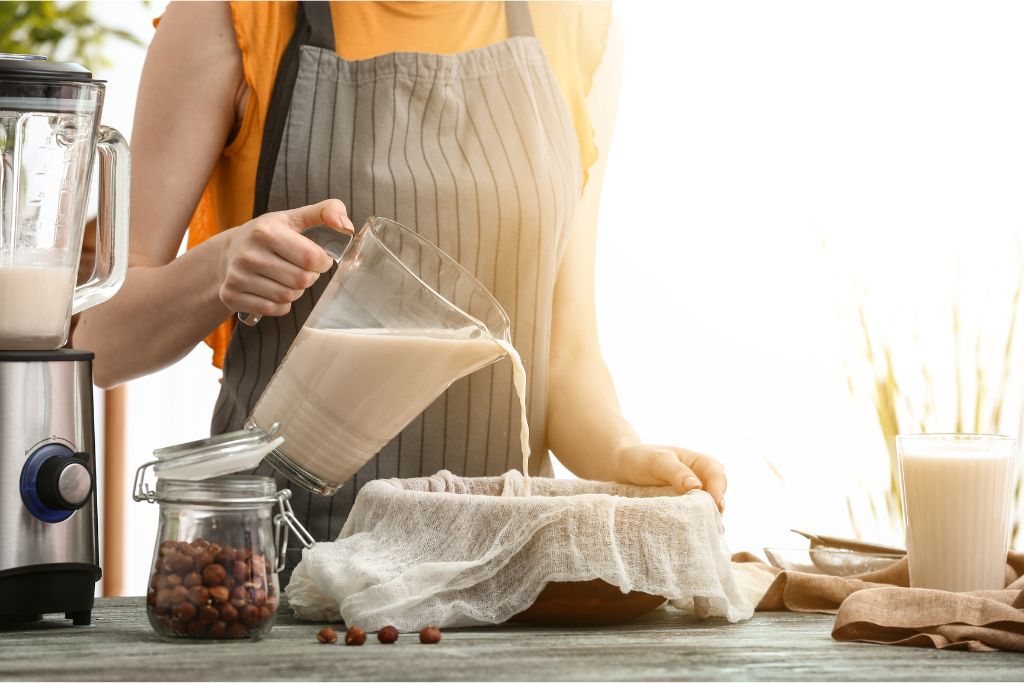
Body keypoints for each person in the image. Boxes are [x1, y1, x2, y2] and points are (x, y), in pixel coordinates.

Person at [73, 1, 726, 577]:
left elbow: (565, 356)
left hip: (502, 574)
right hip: (282, 570)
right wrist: (217, 270)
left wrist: (623, 452)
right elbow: (96, 338)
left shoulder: (574, 22)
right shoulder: (236, 15)